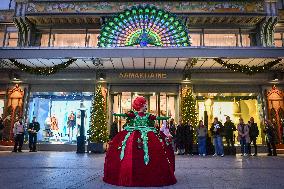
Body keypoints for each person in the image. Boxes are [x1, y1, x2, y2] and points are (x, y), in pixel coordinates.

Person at [104, 96, 176, 187]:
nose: (146, 106)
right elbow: (125, 115)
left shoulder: (148, 115)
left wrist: (166, 117)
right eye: (145, 104)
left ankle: (148, 171)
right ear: (141, 105)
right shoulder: (134, 114)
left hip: (147, 133)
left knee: (152, 150)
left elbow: (157, 118)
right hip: (135, 132)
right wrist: (115, 114)